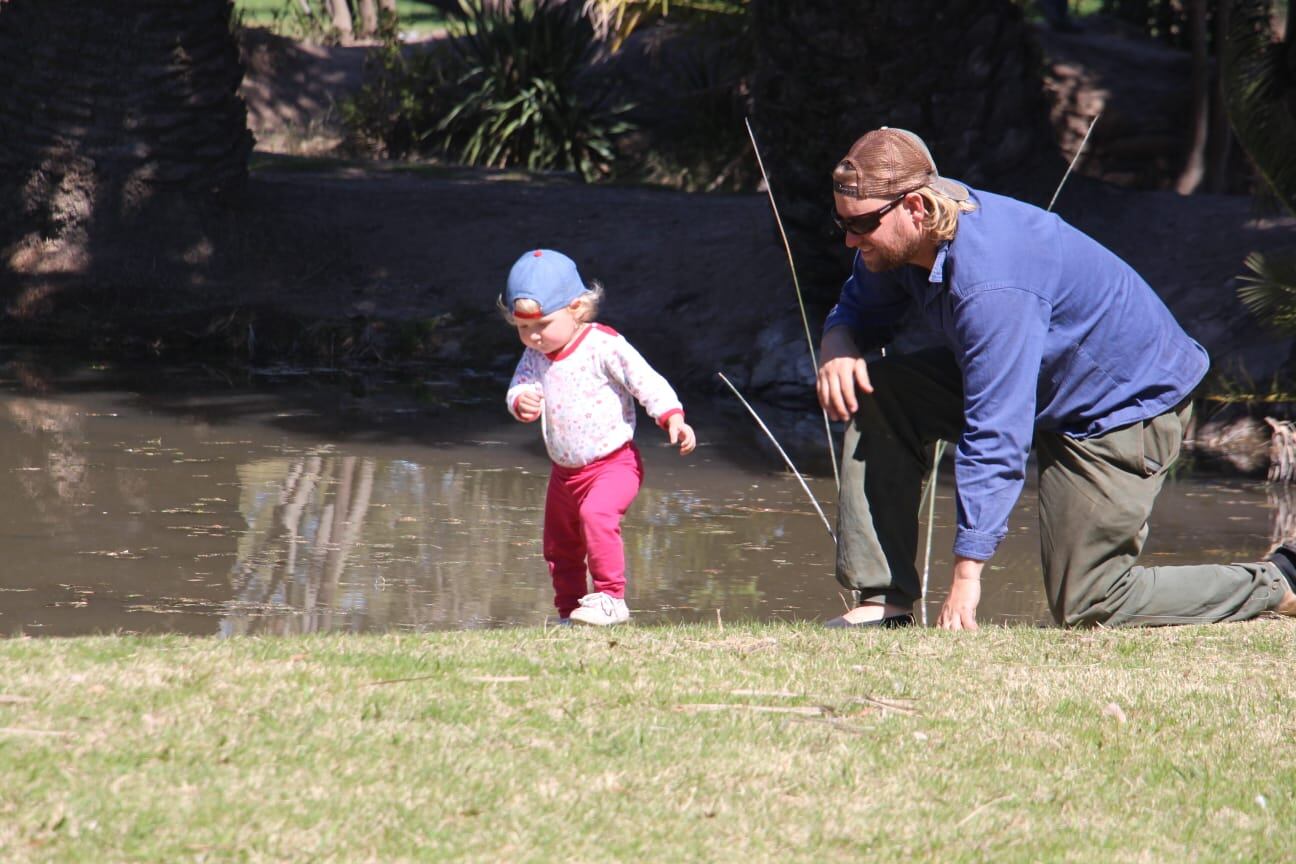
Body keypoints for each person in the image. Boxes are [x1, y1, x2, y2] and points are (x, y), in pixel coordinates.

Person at [815, 126, 1296, 630]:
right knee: (884, 392)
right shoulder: (904, 235)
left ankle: (1278, 582)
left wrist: (966, 578)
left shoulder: (992, 282)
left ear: (915, 206)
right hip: (1043, 385)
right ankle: (883, 604)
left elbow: (996, 431)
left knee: (1091, 602)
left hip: (1119, 407)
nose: (850, 238)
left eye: (863, 224)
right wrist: (838, 345)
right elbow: (858, 309)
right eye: (841, 221)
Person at [502, 248, 696, 626]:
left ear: (576, 308)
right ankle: (568, 612)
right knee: (560, 545)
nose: (534, 336)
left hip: (613, 464)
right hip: (564, 474)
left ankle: (611, 597)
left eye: (543, 323)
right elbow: (519, 385)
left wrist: (671, 415)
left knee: (596, 514)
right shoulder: (535, 356)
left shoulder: (602, 345)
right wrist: (519, 401)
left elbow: (645, 381)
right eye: (523, 328)